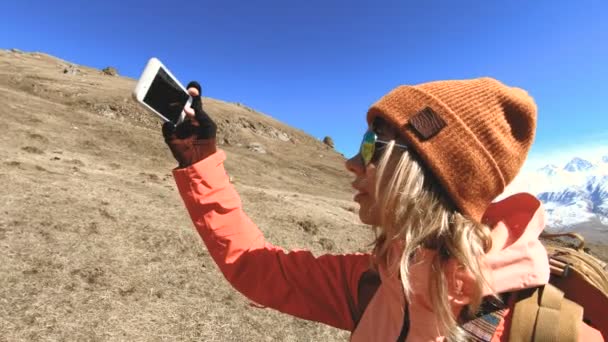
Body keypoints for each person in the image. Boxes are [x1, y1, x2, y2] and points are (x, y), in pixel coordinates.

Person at [162, 79, 603, 341]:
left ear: (425, 173)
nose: (352, 162)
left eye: (372, 146)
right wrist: (199, 162)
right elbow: (259, 269)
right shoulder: (383, 279)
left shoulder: (545, 330)